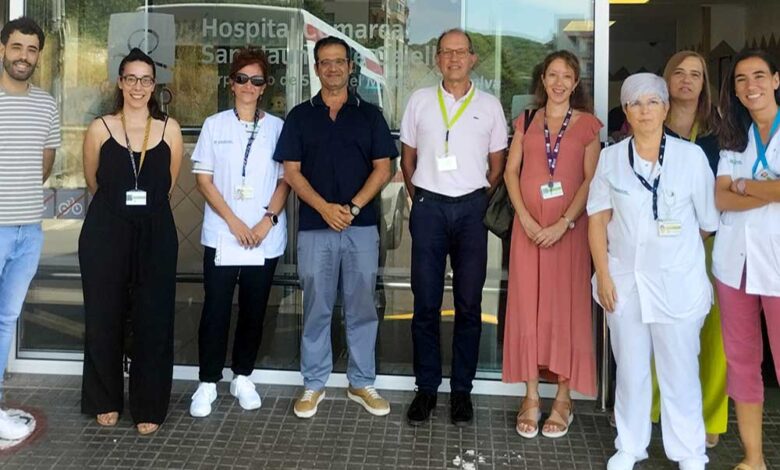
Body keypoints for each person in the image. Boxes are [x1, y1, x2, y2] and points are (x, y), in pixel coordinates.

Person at [588, 73, 718, 470]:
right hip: (624, 283)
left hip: (678, 284)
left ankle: (689, 452)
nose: (644, 110)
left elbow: (707, 222)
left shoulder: (691, 158)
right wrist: (604, 275)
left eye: (652, 102)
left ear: (665, 108)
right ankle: (630, 446)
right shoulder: (611, 158)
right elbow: (597, 219)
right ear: (626, 112)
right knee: (630, 370)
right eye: (635, 103)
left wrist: (671, 252)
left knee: (681, 370)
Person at [273, 36, 397, 419]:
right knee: (317, 306)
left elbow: (384, 168)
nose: (332, 68)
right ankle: (314, 383)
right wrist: (325, 209)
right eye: (325, 62)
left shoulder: (370, 115)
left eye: (339, 61)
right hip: (315, 227)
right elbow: (291, 172)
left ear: (350, 67)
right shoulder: (300, 116)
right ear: (316, 68)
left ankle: (361, 382)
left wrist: (353, 207)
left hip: (361, 227)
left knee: (362, 307)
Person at [400, 28, 508, 427]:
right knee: (425, 302)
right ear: (437, 59)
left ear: (473, 59)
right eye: (446, 52)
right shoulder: (419, 101)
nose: (454, 58)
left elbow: (497, 167)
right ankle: (426, 388)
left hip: (471, 210)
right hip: (428, 207)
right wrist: (422, 197)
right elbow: (407, 160)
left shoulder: (490, 106)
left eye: (461, 52)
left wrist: (473, 198)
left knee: (469, 303)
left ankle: (462, 390)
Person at [79, 48, 183, 435]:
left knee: (153, 318)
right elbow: (93, 181)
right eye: (131, 78)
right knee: (103, 316)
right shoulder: (100, 128)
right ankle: (104, 399)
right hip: (106, 232)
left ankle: (148, 404)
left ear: (154, 86)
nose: (138, 86)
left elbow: (169, 184)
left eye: (146, 79)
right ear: (120, 83)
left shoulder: (169, 129)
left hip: (155, 232)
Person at [502, 50, 601, 439]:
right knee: (526, 307)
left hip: (570, 233)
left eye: (567, 76)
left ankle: (563, 398)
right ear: (542, 80)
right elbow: (511, 172)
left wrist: (564, 222)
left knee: (566, 308)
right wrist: (525, 219)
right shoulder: (527, 120)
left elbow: (591, 180)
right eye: (552, 75)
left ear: (575, 84)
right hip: (527, 231)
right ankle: (530, 396)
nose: (559, 82)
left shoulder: (589, 125)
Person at [188, 48, 289, 418]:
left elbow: (286, 179)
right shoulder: (214, 125)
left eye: (256, 80)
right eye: (242, 79)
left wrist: (266, 221)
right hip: (223, 234)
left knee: (254, 309)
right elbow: (204, 180)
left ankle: (243, 375)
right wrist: (233, 222)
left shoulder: (278, 128)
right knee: (215, 308)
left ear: (264, 87)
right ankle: (207, 381)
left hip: (264, 237)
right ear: (231, 84)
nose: (249, 86)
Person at [651, 50, 727, 448]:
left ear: (704, 83)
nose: (686, 80)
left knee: (713, 337)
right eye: (679, 72)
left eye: (695, 74)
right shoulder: (650, 125)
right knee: (657, 328)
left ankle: (710, 416)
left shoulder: (720, 132)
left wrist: (700, 234)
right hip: (660, 246)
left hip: (710, 243)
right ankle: (652, 409)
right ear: (666, 80)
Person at [713, 49, 780, 470]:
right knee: (741, 362)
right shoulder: (734, 137)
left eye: (758, 76)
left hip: (777, 263)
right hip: (734, 265)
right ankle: (753, 458)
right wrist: (766, 190)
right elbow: (720, 198)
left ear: (776, 80)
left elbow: (734, 191)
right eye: (741, 79)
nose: (750, 86)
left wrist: (743, 186)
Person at [0, 17, 60, 441]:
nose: (24, 56)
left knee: (6, 319)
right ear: (2, 48)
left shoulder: (46, 104)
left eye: (32, 49)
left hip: (29, 230)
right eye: (17, 47)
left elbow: (45, 162)